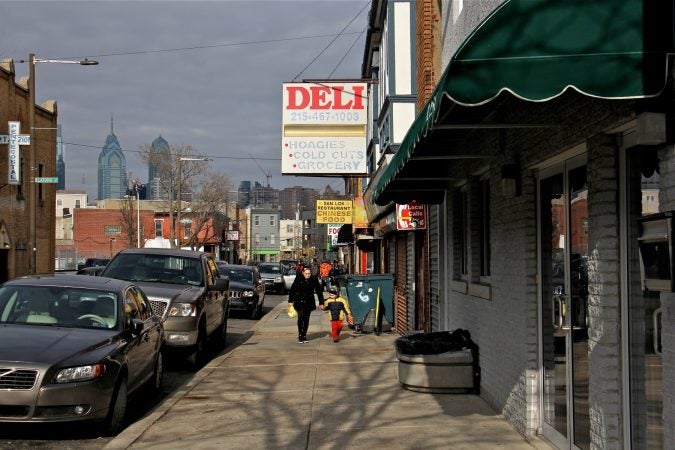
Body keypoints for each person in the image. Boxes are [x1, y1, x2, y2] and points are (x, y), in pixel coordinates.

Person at [288, 267, 324, 343]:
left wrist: (321, 303)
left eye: (309, 274)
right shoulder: (298, 278)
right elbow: (292, 290)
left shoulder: (313, 279)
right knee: (300, 317)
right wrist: (290, 301)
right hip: (299, 301)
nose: (308, 275)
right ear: (303, 273)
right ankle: (300, 334)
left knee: (306, 319)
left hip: (309, 302)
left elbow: (319, 291)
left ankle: (304, 335)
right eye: (306, 274)